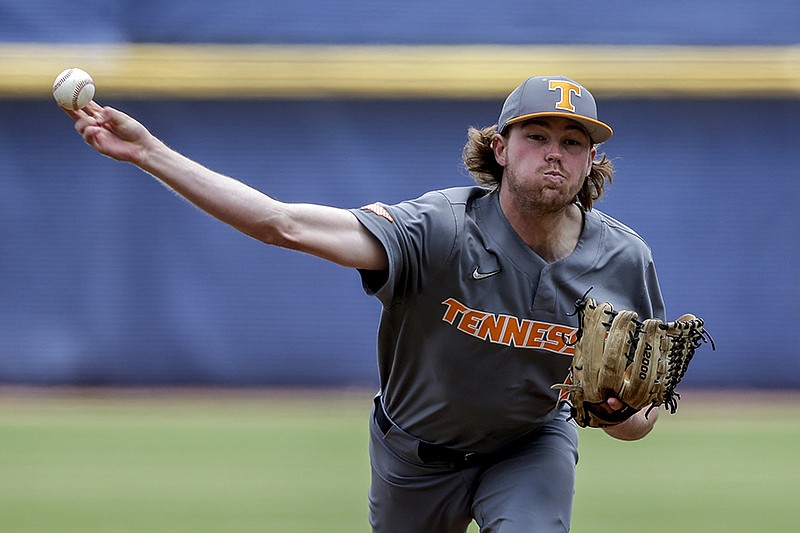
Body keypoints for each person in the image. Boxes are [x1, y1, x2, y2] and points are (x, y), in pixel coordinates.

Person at [65, 75, 664, 532]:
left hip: (530, 445)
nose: (554, 152)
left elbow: (638, 423)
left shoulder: (622, 260)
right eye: (536, 136)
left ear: (590, 161)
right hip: (414, 455)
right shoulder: (439, 230)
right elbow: (283, 224)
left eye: (572, 140)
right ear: (501, 150)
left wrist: (617, 413)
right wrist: (149, 153)